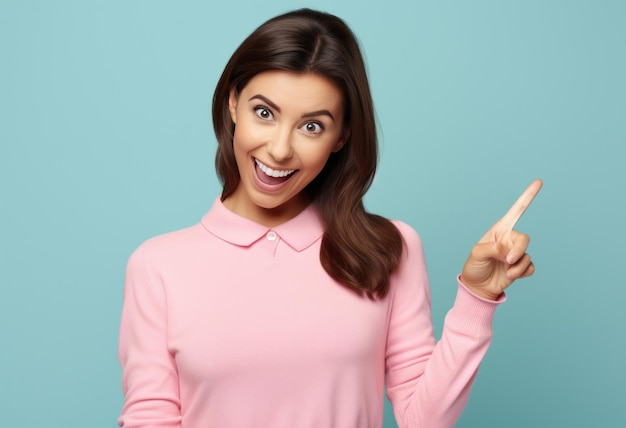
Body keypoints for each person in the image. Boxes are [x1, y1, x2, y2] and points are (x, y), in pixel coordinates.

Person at [117, 8, 542, 428]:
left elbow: (423, 420)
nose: (280, 149)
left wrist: (476, 298)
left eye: (312, 127)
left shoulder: (388, 249)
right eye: (264, 113)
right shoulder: (158, 267)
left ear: (341, 136)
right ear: (233, 103)